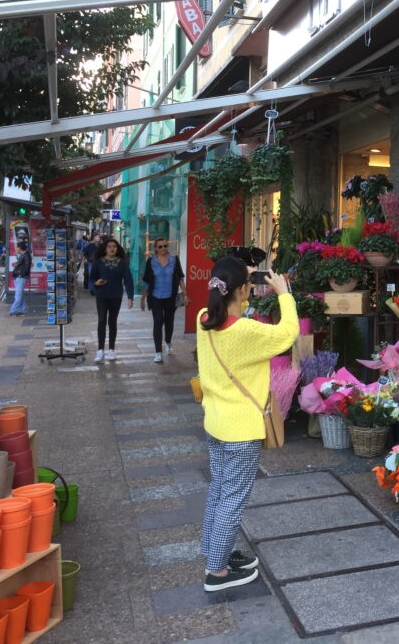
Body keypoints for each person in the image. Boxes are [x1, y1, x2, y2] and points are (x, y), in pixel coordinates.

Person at [197, 257, 297, 591]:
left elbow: (230, 309)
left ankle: (214, 552)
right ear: (242, 290)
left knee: (219, 490)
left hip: (215, 424)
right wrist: (283, 292)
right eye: (249, 284)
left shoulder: (203, 319)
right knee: (233, 499)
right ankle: (217, 571)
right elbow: (289, 333)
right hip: (241, 430)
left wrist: (245, 281)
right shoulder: (246, 331)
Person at [88, 238, 135, 363]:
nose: (112, 248)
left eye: (114, 246)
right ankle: (100, 350)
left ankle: (111, 350)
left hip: (116, 296)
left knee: (112, 322)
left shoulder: (122, 263)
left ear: (117, 248)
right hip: (102, 295)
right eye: (109, 246)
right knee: (102, 320)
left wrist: (130, 297)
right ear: (105, 248)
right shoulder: (98, 262)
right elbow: (91, 279)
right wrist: (95, 284)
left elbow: (128, 280)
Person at [141, 238, 187, 363]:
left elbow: (180, 279)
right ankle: (158, 352)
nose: (163, 249)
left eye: (165, 246)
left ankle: (168, 341)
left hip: (170, 297)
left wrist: (185, 294)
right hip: (155, 297)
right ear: (155, 248)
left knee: (169, 322)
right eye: (160, 247)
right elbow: (146, 281)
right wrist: (143, 298)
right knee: (157, 322)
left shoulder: (174, 260)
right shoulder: (151, 262)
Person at [8, 240, 32, 316]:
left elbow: (27, 267)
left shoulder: (26, 255)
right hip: (19, 276)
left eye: (17, 247)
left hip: (20, 277)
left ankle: (13, 310)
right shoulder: (23, 255)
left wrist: (20, 274)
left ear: (20, 248)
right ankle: (22, 310)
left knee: (18, 294)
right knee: (20, 294)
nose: (16, 249)